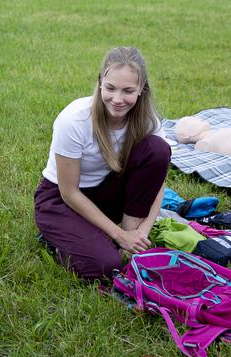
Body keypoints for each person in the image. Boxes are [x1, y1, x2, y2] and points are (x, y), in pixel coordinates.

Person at [34, 47, 171, 279]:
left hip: (105, 193)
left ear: (141, 89)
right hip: (61, 200)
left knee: (158, 149)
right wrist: (118, 235)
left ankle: (110, 236)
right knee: (107, 266)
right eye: (110, 88)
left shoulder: (148, 121)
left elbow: (157, 182)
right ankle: (58, 239)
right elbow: (69, 192)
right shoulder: (74, 120)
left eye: (128, 90)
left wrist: (139, 235)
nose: (117, 99)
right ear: (100, 82)